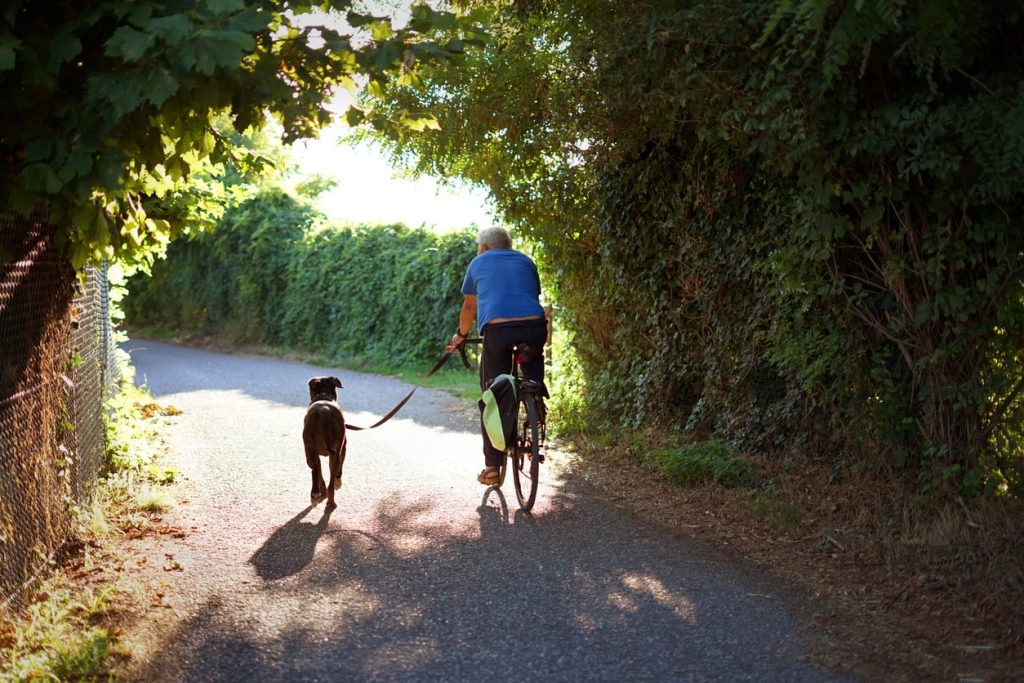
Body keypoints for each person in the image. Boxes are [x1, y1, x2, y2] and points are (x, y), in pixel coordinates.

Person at [449, 226, 547, 485]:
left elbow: (470, 306)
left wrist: (460, 335)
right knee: (532, 359)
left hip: (498, 331)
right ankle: (535, 395)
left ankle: (492, 467)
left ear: (483, 247)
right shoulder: (527, 261)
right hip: (535, 327)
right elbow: (530, 296)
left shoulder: (478, 262)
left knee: (491, 396)